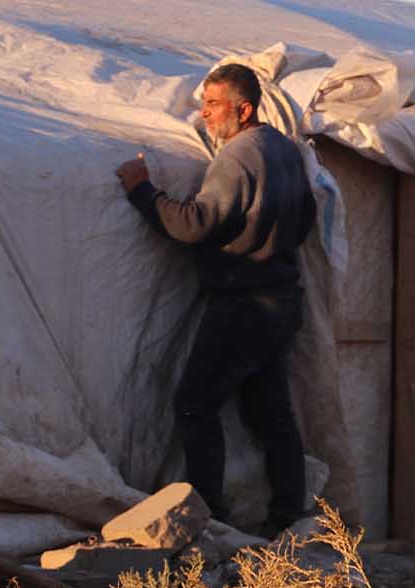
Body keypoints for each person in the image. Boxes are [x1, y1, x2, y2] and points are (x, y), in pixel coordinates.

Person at [115, 64, 316, 533]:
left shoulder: (237, 157)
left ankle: (208, 519)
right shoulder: (285, 151)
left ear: (242, 109)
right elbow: (305, 219)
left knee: (194, 403)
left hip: (244, 304)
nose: (204, 115)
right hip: (281, 299)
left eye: (213, 105)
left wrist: (140, 189)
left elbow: (194, 224)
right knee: (272, 414)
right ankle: (288, 516)